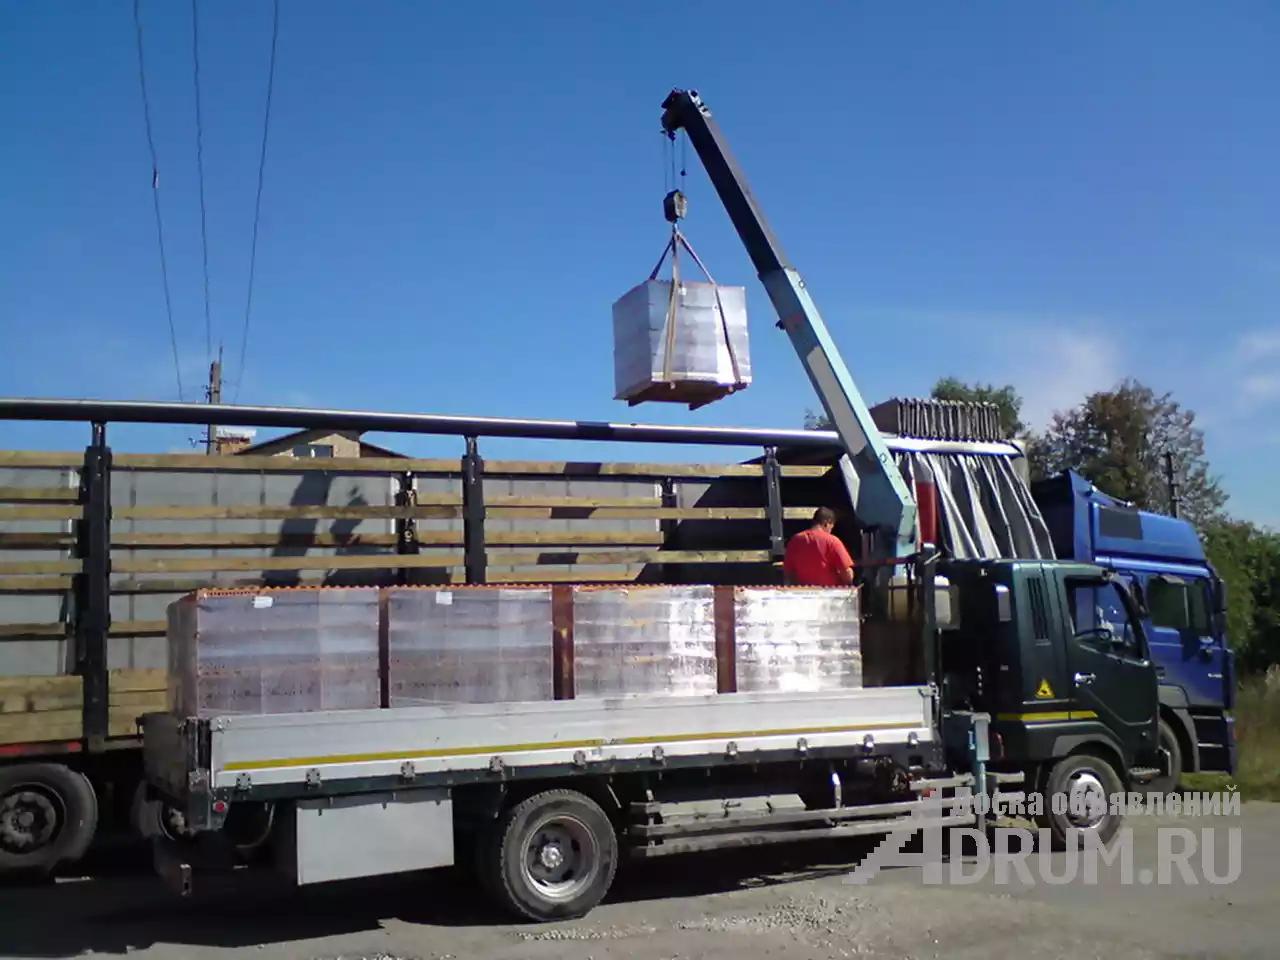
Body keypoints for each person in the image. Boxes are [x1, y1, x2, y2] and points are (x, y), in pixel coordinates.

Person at [783, 507, 855, 586]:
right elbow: (847, 572)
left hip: (802, 591)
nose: (830, 531)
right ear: (826, 524)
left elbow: (789, 572)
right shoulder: (832, 541)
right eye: (831, 528)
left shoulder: (795, 540)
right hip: (829, 591)